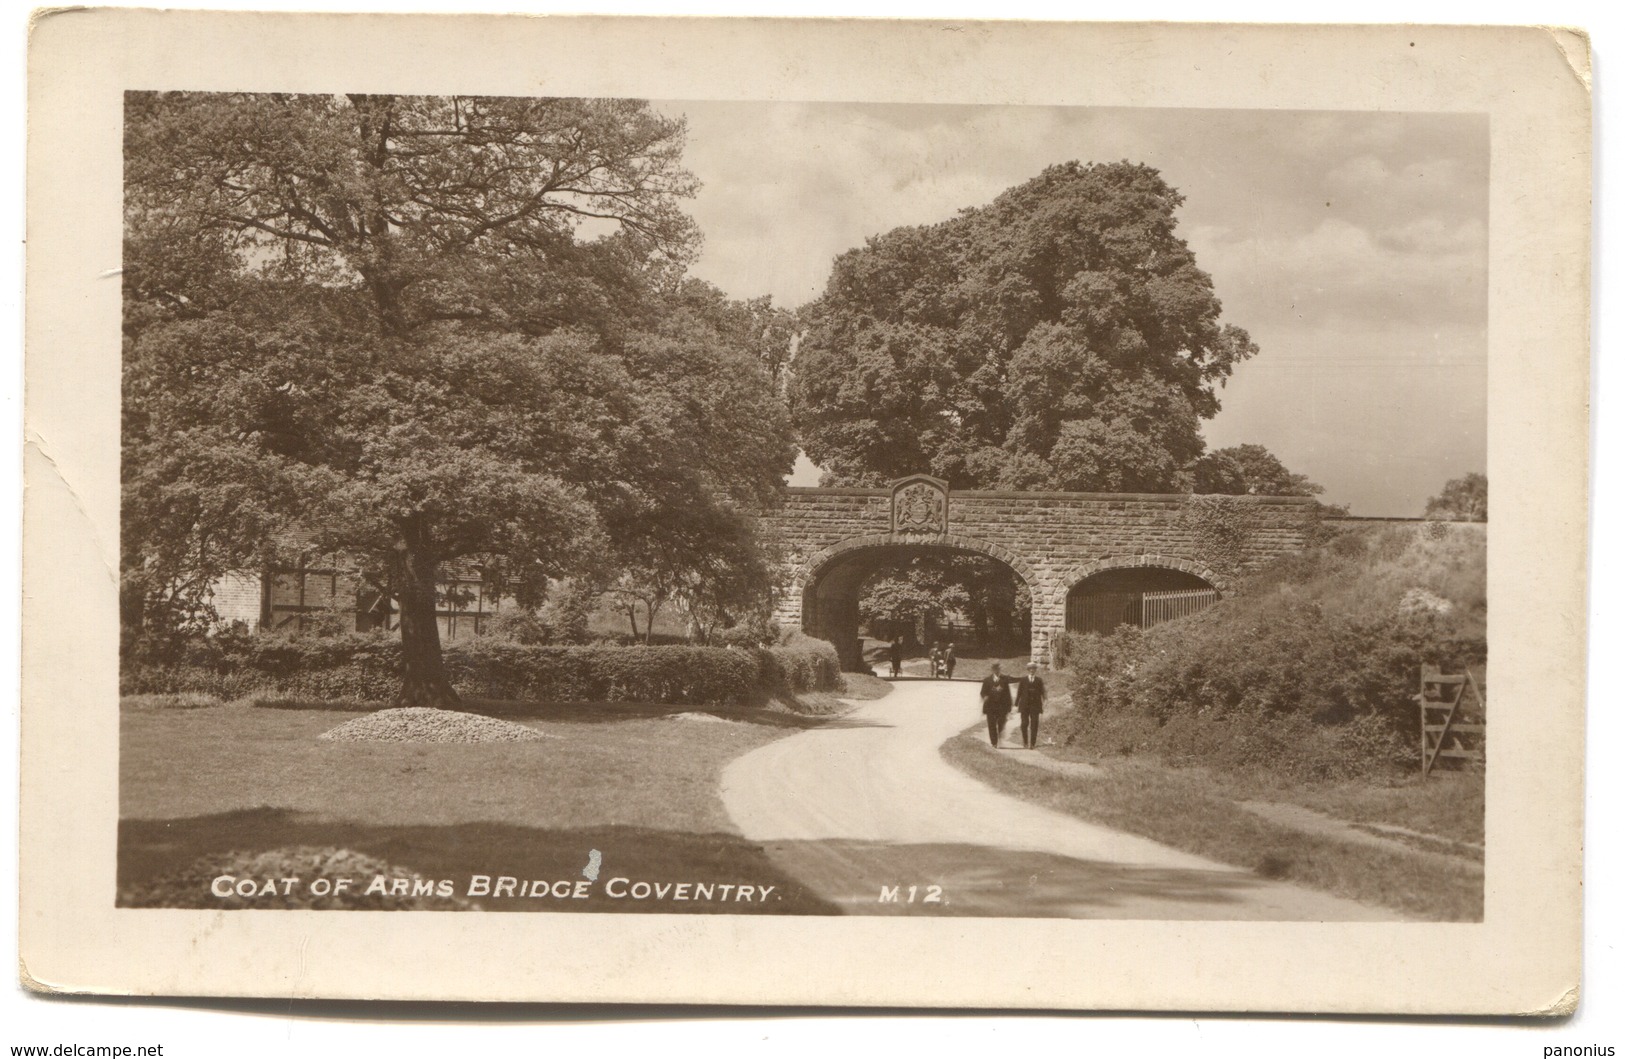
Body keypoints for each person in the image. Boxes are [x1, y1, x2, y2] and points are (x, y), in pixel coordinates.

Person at [979, 662, 1014, 747]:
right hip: (990, 706)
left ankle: (1000, 739)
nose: (996, 671)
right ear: (992, 670)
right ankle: (994, 742)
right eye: (994, 669)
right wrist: (985, 697)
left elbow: (1008, 694)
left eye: (998, 669)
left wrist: (1009, 707)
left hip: (1002, 707)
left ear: (1000, 669)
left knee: (1001, 724)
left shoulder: (1004, 680)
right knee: (991, 724)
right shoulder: (987, 680)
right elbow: (982, 692)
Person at [1015, 661, 1047, 749]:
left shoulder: (1039, 680)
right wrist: (1016, 704)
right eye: (1030, 669)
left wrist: (1045, 700)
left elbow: (1043, 692)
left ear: (1035, 670)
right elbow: (1019, 692)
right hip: (1024, 705)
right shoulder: (1023, 680)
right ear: (1028, 670)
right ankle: (1025, 742)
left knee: (1034, 724)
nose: (1032, 670)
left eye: (1034, 669)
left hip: (1035, 705)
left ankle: (1032, 744)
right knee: (1024, 723)